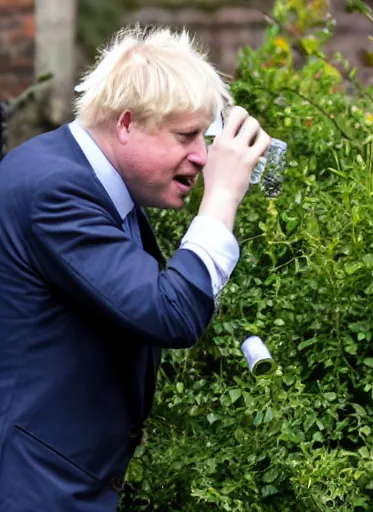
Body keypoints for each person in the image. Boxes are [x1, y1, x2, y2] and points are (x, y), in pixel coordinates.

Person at [0, 25, 270, 511]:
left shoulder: (89, 180)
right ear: (126, 124)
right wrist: (223, 195)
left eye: (204, 137)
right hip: (32, 487)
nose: (203, 157)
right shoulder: (55, 192)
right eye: (186, 136)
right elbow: (169, 314)